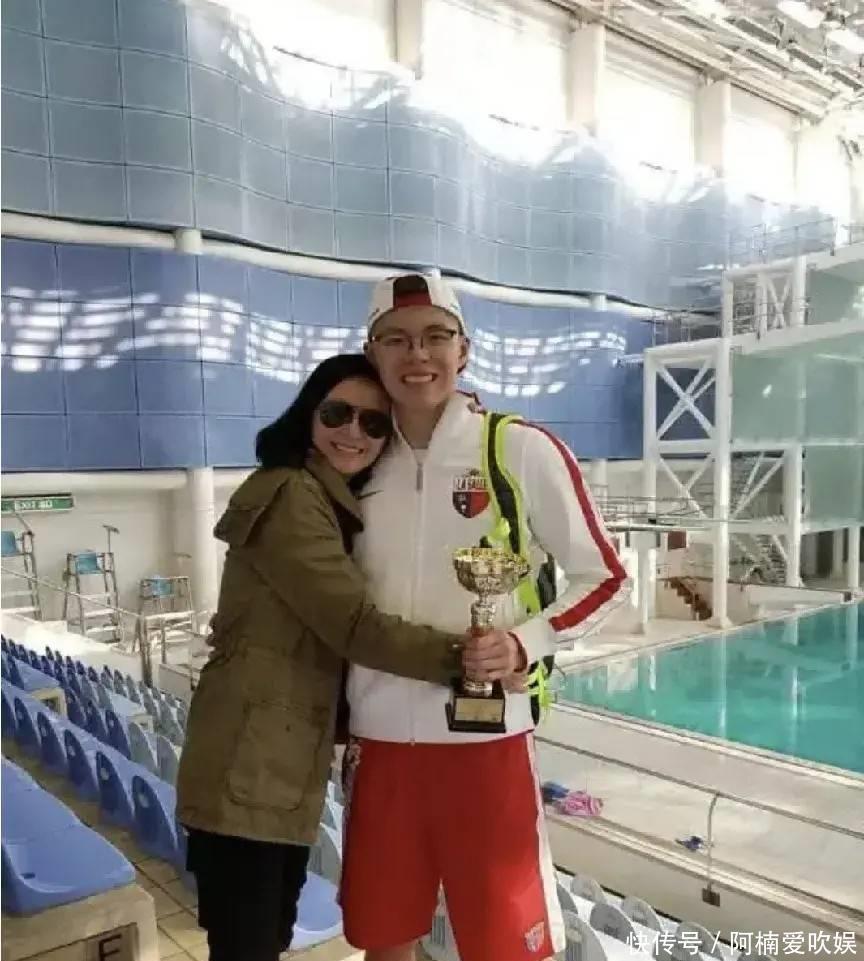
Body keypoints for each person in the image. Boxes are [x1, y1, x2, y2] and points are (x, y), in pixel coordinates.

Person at [176, 353, 519, 961]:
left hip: (273, 757)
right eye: (337, 414)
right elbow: (355, 627)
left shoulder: (326, 498)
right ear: (308, 414)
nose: (354, 432)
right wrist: (467, 660)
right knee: (248, 941)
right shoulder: (291, 494)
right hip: (249, 760)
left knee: (264, 934)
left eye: (374, 423)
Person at [339, 274, 628, 961]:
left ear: (464, 350)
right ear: (372, 354)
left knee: (507, 947)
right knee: (384, 938)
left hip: (488, 742)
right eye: (396, 339)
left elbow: (606, 576)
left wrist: (525, 642)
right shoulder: (355, 462)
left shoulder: (519, 449)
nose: (418, 355)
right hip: (379, 743)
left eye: (436, 336)